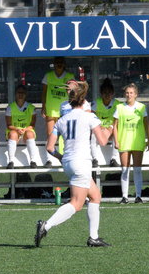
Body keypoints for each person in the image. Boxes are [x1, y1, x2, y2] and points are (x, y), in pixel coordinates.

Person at [34, 80, 110, 248]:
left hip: (68, 161)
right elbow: (103, 141)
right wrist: (110, 128)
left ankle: (94, 237)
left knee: (95, 196)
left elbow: (49, 147)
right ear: (83, 100)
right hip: (81, 162)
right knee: (76, 203)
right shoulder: (89, 116)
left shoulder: (62, 120)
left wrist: (61, 157)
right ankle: (46, 226)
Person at [113, 83, 148, 203]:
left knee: (137, 169)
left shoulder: (142, 107)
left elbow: (146, 124)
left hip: (137, 141)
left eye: (131, 93)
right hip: (124, 141)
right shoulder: (119, 107)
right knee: (125, 170)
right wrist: (116, 141)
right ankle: (125, 196)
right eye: (127, 93)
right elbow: (115, 126)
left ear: (136, 94)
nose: (129, 95)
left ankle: (138, 196)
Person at [41, 56, 75, 167]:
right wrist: (43, 106)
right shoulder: (48, 76)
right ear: (54, 64)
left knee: (65, 134)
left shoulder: (69, 76)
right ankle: (49, 159)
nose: (59, 64)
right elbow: (44, 92)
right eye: (57, 63)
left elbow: (74, 93)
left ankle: (65, 156)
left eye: (61, 62)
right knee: (50, 134)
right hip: (51, 108)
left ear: (64, 64)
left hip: (65, 110)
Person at [5, 85, 41, 169]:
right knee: (13, 134)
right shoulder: (10, 107)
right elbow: (9, 125)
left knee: (29, 134)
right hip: (14, 131)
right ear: (15, 94)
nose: (20, 94)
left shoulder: (31, 107)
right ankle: (11, 161)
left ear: (26, 94)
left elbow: (32, 124)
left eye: (23, 93)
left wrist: (25, 129)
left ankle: (33, 161)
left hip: (26, 131)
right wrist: (17, 129)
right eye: (19, 92)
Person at [91, 78, 121, 167]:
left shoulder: (117, 104)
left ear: (113, 93)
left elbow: (119, 120)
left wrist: (111, 128)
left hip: (111, 129)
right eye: (105, 92)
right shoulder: (96, 103)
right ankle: (94, 159)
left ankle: (113, 159)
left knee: (117, 132)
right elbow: (91, 116)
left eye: (109, 93)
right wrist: (100, 127)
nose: (107, 95)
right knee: (93, 135)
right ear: (101, 93)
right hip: (99, 129)